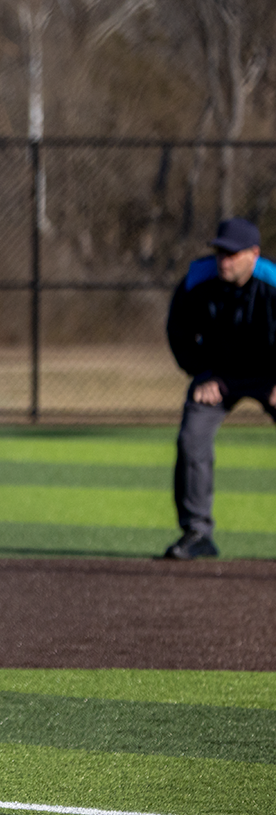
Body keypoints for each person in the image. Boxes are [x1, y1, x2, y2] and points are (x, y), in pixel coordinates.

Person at [162, 216, 276, 560]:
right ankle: (197, 533)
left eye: (232, 254)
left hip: (270, 375)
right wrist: (204, 373)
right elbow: (179, 334)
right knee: (191, 436)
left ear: (253, 254)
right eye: (219, 253)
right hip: (219, 376)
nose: (223, 260)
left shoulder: (272, 286)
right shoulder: (198, 281)